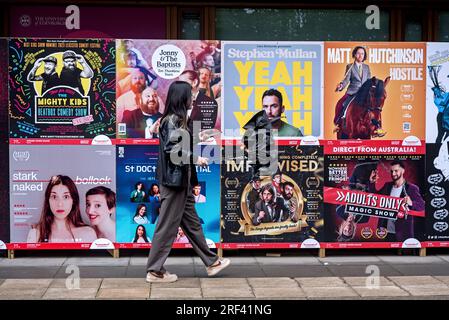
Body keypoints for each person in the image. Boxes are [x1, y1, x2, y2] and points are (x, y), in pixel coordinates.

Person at [146, 81, 230, 283]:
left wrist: (197, 138)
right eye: (190, 95)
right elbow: (172, 149)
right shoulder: (171, 120)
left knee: (192, 225)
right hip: (173, 182)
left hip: (181, 182)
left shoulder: (178, 120)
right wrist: (196, 158)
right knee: (166, 226)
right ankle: (155, 271)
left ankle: (212, 263)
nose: (193, 98)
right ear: (181, 97)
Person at [27, 175, 97, 243]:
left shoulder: (88, 234)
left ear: (73, 200)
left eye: (66, 197)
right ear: (48, 201)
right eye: (54, 197)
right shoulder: (35, 234)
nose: (60, 204)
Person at [369, 160, 425, 242]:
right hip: (385, 231)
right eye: (391, 171)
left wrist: (411, 203)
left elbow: (422, 206)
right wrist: (371, 182)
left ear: (403, 171)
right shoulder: (387, 186)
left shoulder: (412, 188)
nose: (393, 174)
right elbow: (375, 197)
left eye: (396, 171)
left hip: (402, 232)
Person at [334, 46, 379, 134]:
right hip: (353, 92)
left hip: (364, 93)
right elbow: (346, 79)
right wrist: (341, 86)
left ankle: (376, 127)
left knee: (374, 106)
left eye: (362, 54)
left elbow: (369, 80)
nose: (360, 55)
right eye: (358, 53)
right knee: (342, 103)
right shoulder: (350, 66)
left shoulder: (366, 67)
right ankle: (340, 124)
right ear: (355, 54)